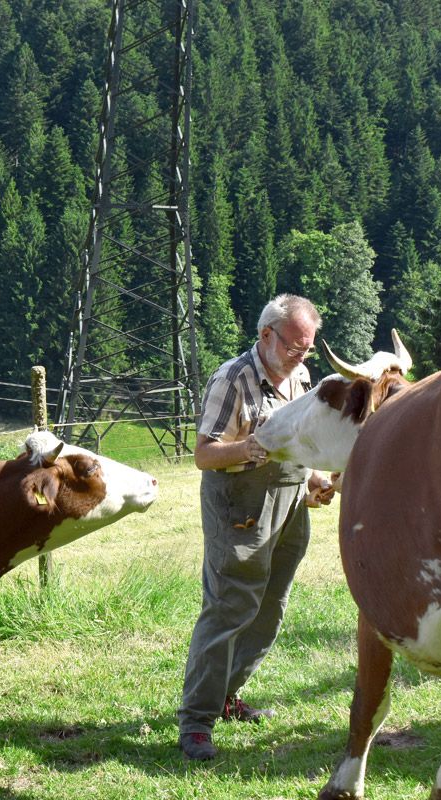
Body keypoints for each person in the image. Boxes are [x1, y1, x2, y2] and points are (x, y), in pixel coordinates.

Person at [177, 294, 334, 761]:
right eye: (294, 347)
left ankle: (227, 696)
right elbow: (204, 455)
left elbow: (303, 446)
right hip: (239, 509)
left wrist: (317, 479)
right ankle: (196, 723)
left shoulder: (302, 377)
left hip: (289, 508)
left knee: (269, 611)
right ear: (266, 335)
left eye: (308, 348)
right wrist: (250, 449)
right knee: (229, 609)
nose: (302, 357)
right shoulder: (232, 379)